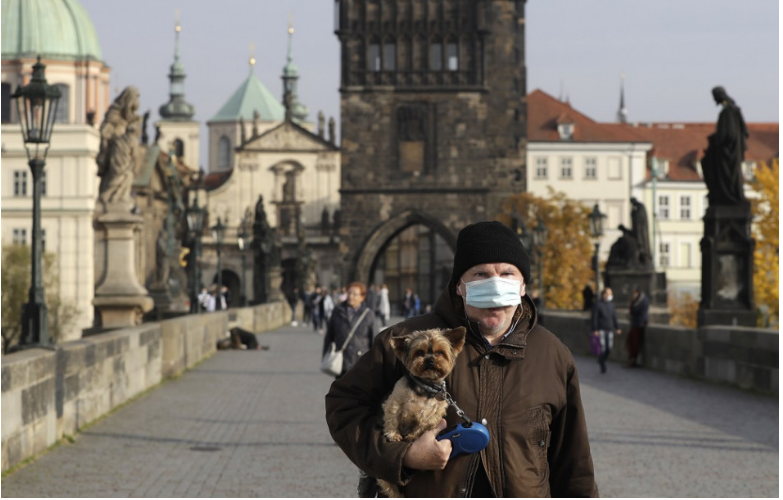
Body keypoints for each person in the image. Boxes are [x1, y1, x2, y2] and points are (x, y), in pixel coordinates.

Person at [325, 221, 598, 497]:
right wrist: (403, 455)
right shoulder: (406, 340)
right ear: (459, 286)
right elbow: (343, 405)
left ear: (523, 286)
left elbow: (574, 465)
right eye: (480, 274)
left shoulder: (552, 355)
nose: (494, 284)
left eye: (506, 273)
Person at [322, 282, 378, 378]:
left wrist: (376, 363)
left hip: (361, 363)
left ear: (362, 297)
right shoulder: (337, 311)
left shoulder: (368, 314)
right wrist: (326, 355)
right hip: (342, 362)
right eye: (349, 293)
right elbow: (329, 336)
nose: (351, 296)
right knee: (341, 392)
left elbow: (375, 340)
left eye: (355, 294)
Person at [591, 287, 621, 374]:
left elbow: (614, 317)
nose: (610, 295)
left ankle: (601, 360)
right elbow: (594, 318)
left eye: (611, 293)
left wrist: (618, 327)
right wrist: (595, 329)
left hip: (610, 329)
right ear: (603, 294)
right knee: (603, 348)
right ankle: (602, 364)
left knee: (609, 348)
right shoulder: (598, 305)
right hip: (601, 330)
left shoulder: (611, 305)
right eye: (608, 293)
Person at [626, 286, 650, 368]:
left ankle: (633, 359)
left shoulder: (643, 300)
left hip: (639, 324)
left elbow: (635, 310)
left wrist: (632, 304)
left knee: (635, 343)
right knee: (630, 342)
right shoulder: (636, 301)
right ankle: (632, 359)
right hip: (635, 324)